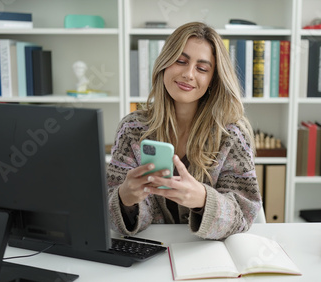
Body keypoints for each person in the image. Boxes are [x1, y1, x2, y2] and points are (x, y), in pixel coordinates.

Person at [107, 22, 261, 240]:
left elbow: (244, 215)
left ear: (212, 81)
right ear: (164, 64)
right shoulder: (132, 129)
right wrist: (124, 199)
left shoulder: (231, 134)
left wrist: (203, 199)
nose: (188, 74)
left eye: (202, 68)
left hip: (206, 256)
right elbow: (109, 214)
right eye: (181, 61)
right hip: (149, 253)